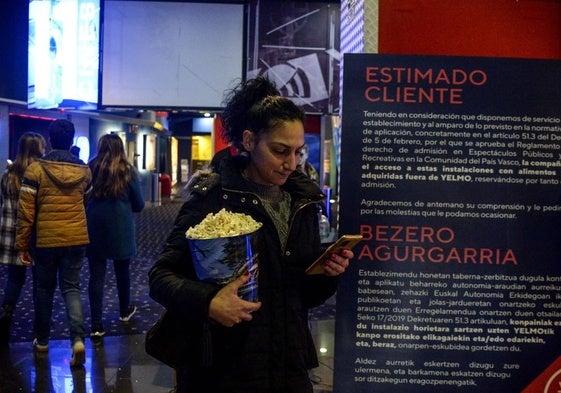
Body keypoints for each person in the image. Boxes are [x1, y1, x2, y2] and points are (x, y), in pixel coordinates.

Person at [148, 76, 353, 393]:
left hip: (289, 367)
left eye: (298, 152)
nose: (290, 164)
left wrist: (327, 274)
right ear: (248, 140)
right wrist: (210, 302)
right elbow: (161, 276)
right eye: (279, 151)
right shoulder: (214, 197)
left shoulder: (302, 201)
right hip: (224, 371)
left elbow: (303, 297)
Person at [16, 119, 92, 367]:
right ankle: (78, 340)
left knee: (44, 290)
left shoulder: (35, 170)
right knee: (72, 289)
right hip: (76, 238)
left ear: (50, 139)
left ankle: (42, 341)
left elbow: (26, 212)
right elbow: (85, 201)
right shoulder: (84, 171)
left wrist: (22, 244)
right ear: (71, 141)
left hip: (46, 240)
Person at [86, 134, 144, 339]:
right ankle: (124, 311)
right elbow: (139, 204)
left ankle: (96, 324)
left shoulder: (90, 167)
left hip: (94, 226)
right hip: (120, 228)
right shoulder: (127, 171)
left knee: (96, 275)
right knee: (122, 271)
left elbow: (82, 197)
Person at [0, 132, 46, 345]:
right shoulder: (41, 174)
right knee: (40, 281)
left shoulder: (8, 173)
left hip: (10, 232)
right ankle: (40, 324)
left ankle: (7, 315)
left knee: (14, 279)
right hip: (36, 234)